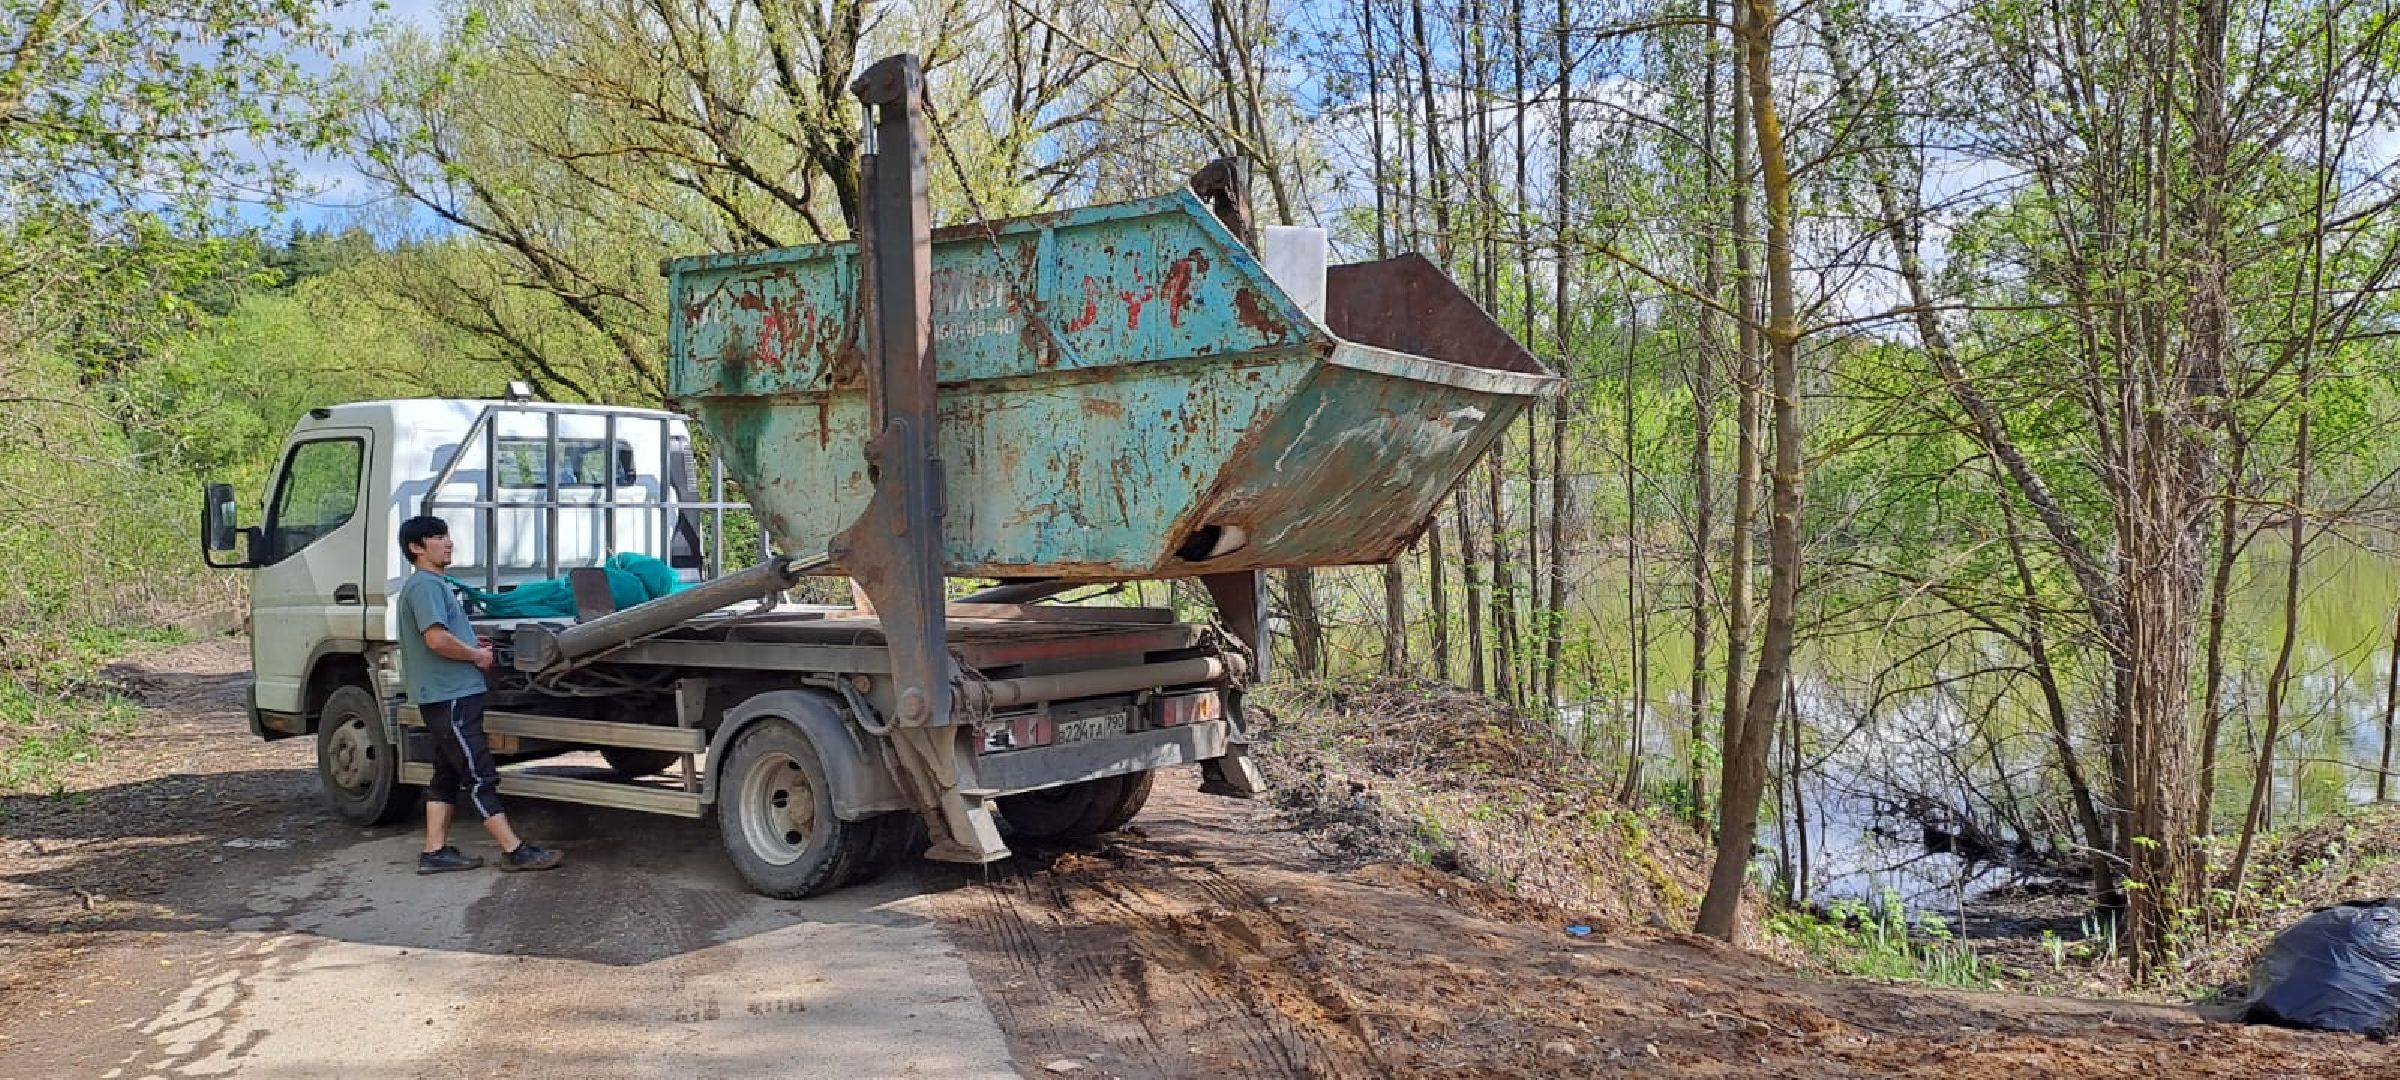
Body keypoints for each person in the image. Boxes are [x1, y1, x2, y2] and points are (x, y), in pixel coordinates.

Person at [396, 515, 564, 874]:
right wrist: (476, 655)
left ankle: (434, 852)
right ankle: (514, 850)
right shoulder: (425, 586)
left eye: (446, 535)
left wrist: (472, 642)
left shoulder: (432, 584)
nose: (448, 543)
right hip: (450, 695)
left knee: (446, 774)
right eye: (437, 537)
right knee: (479, 774)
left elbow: (443, 635)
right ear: (416, 548)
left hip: (446, 694)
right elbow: (436, 639)